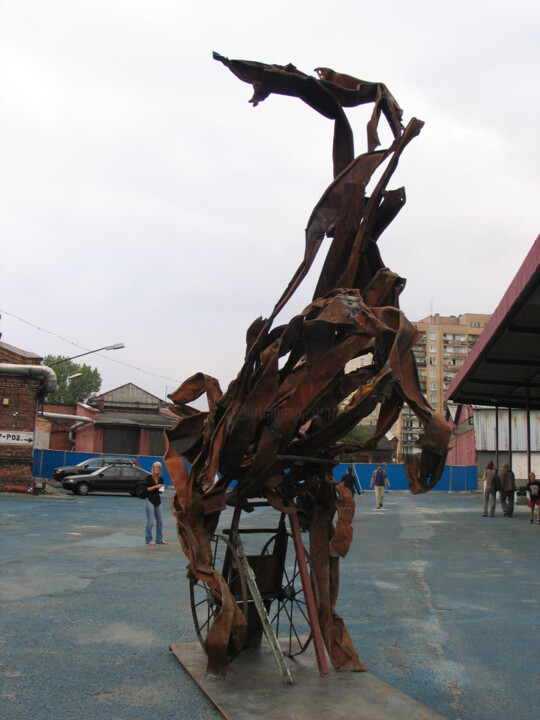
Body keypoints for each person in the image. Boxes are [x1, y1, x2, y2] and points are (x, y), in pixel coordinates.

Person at [145, 461, 168, 546]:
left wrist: (161, 489)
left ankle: (159, 539)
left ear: (160, 469)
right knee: (150, 521)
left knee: (160, 521)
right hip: (149, 501)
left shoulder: (161, 479)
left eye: (158, 468)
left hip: (158, 501)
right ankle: (148, 539)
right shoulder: (148, 478)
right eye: (155, 468)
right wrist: (156, 486)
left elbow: (159, 492)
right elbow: (146, 489)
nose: (156, 469)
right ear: (153, 469)